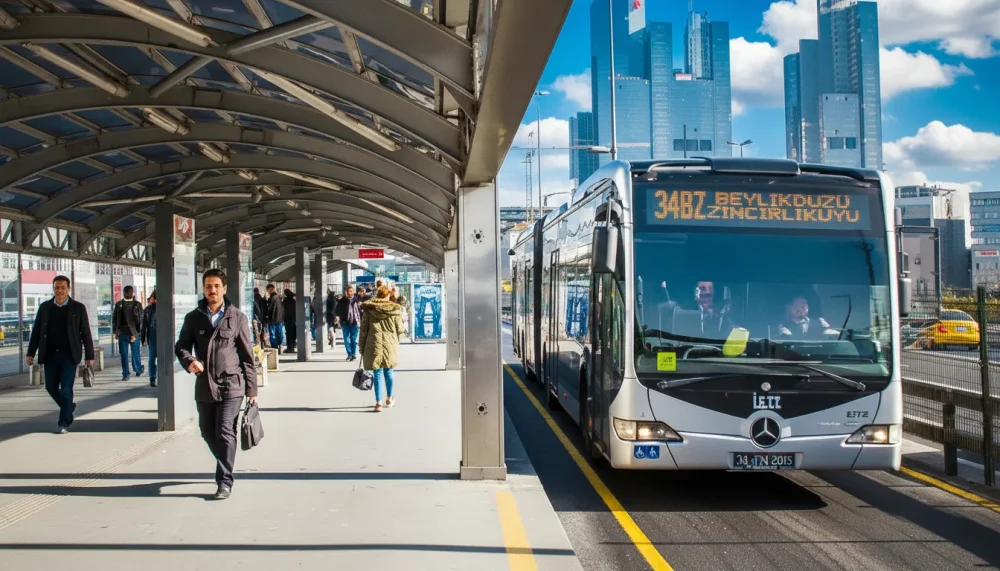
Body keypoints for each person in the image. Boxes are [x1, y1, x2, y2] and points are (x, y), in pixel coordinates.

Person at [174, 269, 257, 501]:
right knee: (207, 432)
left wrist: (252, 390)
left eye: (216, 286)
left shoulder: (237, 317)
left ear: (224, 288)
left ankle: (224, 481)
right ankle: (225, 460)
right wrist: (189, 361)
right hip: (205, 384)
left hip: (232, 384)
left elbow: (247, 356)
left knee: (224, 431)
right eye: (208, 286)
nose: (212, 290)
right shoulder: (193, 318)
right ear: (203, 289)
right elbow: (181, 346)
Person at [26, 275, 95, 434]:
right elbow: (36, 331)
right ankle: (69, 407)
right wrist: (31, 353)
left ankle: (63, 422)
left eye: (63, 287)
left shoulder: (78, 308)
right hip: (50, 355)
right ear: (53, 288)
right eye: (57, 287)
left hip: (69, 355)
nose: (60, 291)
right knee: (50, 386)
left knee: (66, 389)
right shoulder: (45, 308)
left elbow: (85, 332)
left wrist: (89, 355)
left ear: (69, 289)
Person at [359, 285, 405, 412]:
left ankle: (378, 402)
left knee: (377, 373)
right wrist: (397, 340)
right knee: (389, 371)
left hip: (373, 343)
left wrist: (361, 346)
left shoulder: (369, 310)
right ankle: (389, 398)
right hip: (390, 344)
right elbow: (400, 329)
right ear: (388, 296)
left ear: (378, 296)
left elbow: (363, 330)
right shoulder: (395, 310)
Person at [112, 285, 144, 381]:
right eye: (126, 292)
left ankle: (138, 369)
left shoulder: (137, 305)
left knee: (135, 353)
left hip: (135, 333)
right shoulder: (118, 304)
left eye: (129, 292)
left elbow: (141, 320)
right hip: (123, 333)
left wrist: (136, 334)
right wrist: (115, 331)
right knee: (124, 354)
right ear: (124, 293)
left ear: (132, 293)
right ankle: (125, 374)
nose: (128, 294)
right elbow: (114, 318)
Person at [335, 286, 362, 361]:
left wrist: (362, 320)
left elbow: (360, 311)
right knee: (346, 340)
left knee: (353, 339)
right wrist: (337, 316)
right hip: (345, 322)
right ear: (346, 292)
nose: (350, 293)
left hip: (355, 322)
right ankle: (349, 354)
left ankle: (353, 354)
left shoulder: (357, 300)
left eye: (351, 291)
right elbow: (338, 309)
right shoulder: (343, 300)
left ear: (353, 292)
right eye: (348, 291)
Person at [140, 292, 158, 388]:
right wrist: (143, 338)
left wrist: (143, 338)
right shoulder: (148, 310)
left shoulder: (148, 309)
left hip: (155, 336)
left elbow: (144, 326)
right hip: (156, 337)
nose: (150, 299)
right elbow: (144, 325)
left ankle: (153, 378)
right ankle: (154, 377)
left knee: (153, 358)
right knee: (154, 358)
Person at [264, 284, 285, 350]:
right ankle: (280, 345)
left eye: (267, 290)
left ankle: (275, 348)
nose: (267, 292)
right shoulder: (278, 297)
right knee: (279, 333)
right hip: (280, 319)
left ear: (270, 289)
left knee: (273, 335)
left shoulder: (272, 298)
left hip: (273, 319)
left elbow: (269, 309)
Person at [282, 289, 297, 353]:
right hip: (294, 320)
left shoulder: (285, 301)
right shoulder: (294, 301)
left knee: (288, 333)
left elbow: (283, 310)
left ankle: (289, 347)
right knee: (293, 333)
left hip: (287, 320)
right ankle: (292, 346)